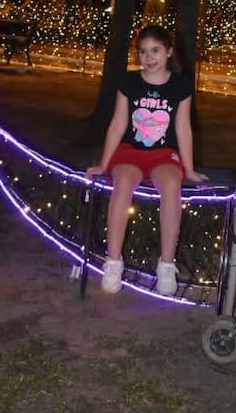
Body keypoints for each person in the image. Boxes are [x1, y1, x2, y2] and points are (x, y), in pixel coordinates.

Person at [87, 24, 208, 296]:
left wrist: (188, 168)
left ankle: (166, 263)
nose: (149, 57)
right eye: (143, 51)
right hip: (130, 151)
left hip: (164, 154)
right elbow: (118, 124)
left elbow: (183, 129)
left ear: (168, 52)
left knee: (171, 186)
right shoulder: (129, 82)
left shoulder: (180, 85)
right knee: (123, 184)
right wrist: (104, 164)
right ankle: (113, 260)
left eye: (155, 50)